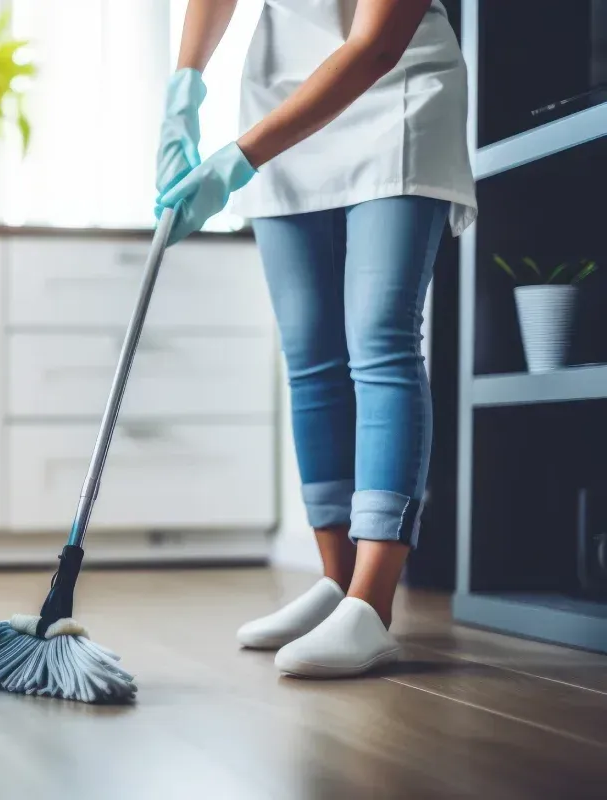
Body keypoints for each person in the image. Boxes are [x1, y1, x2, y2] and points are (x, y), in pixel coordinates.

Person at [156, 0, 476, 678]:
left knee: (382, 341)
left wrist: (238, 157)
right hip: (278, 98)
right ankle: (336, 584)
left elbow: (374, 47)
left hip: (395, 95)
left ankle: (371, 603)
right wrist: (183, 88)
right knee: (311, 358)